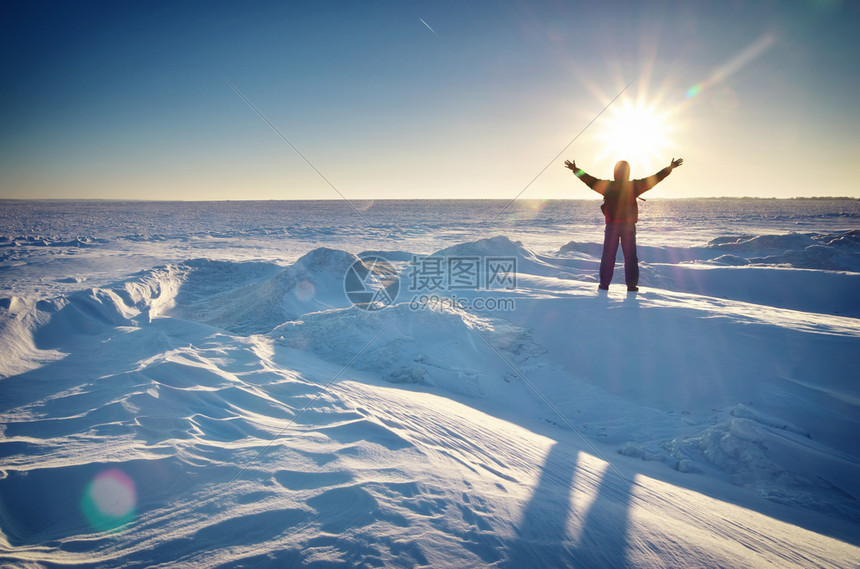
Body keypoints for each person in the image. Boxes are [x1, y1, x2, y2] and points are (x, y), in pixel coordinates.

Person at [564, 157, 683, 291]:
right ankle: (631, 286)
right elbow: (655, 178)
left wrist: (575, 170)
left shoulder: (607, 186)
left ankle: (604, 285)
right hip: (628, 226)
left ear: (615, 172)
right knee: (630, 257)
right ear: (628, 173)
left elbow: (589, 180)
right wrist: (670, 168)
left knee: (608, 256)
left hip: (612, 227)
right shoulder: (635, 186)